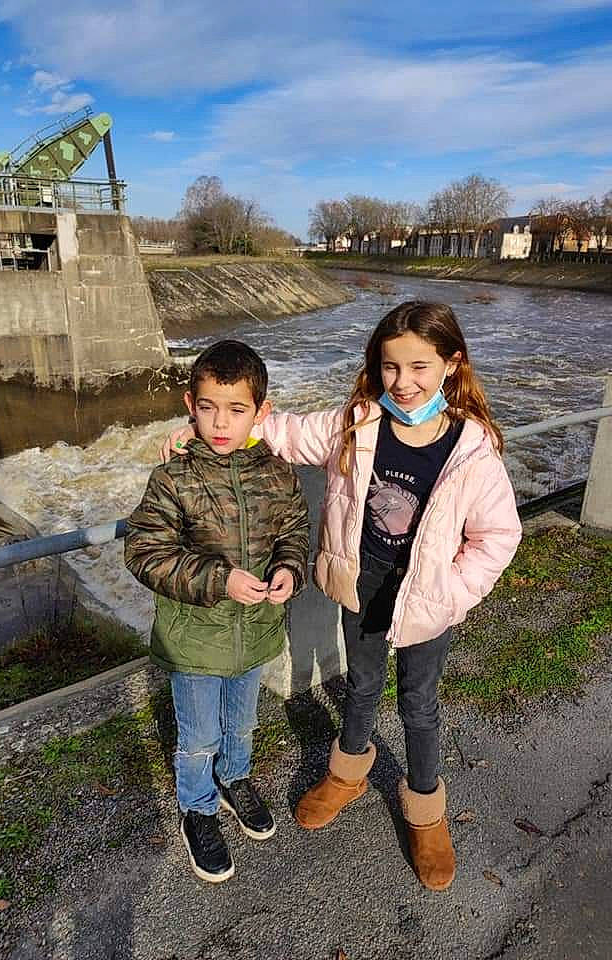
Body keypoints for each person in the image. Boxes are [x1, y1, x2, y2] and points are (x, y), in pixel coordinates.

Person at [162, 301, 522, 891]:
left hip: (428, 595)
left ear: (452, 364)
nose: (402, 383)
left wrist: (452, 595)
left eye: (419, 367)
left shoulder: (471, 449)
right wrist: (205, 431)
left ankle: (426, 810)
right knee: (361, 683)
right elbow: (285, 431)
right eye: (390, 367)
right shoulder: (355, 424)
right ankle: (348, 773)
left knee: (419, 703)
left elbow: (498, 536)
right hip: (365, 580)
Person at [126, 339, 309, 884]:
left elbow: (294, 531)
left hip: (254, 632)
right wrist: (219, 579)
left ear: (261, 412)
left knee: (242, 722)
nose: (220, 422)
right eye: (207, 408)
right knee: (199, 735)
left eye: (235, 409)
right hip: (194, 640)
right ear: (190, 405)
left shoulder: (277, 473)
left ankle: (235, 779)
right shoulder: (174, 477)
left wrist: (289, 569)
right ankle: (198, 809)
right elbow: (144, 551)